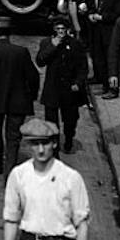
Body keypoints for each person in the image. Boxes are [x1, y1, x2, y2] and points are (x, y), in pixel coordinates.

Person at [0, 16, 39, 175]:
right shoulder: (21, 52)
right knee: (13, 138)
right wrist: (31, 96)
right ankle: (10, 168)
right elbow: (33, 76)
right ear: (9, 33)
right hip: (18, 102)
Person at [37, 17, 89, 154]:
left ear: (67, 30)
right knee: (51, 121)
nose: (60, 32)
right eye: (58, 29)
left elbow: (83, 67)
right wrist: (53, 46)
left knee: (70, 120)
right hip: (52, 88)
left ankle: (69, 139)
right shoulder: (47, 43)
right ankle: (54, 146)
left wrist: (78, 83)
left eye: (63, 29)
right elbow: (40, 61)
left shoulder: (75, 44)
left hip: (69, 89)